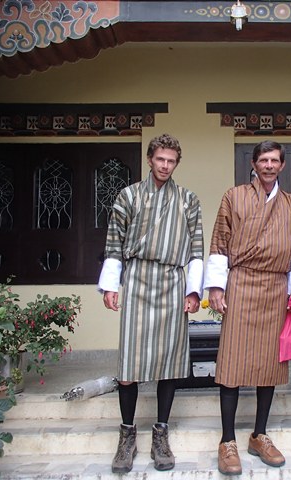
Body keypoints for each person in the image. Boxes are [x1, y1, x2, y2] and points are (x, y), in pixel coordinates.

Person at [98, 133, 204, 473]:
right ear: (149, 159)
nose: (165, 165)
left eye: (171, 161)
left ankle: (161, 433)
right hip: (138, 278)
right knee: (129, 362)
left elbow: (197, 247)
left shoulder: (188, 199)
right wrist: (111, 285)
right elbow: (114, 241)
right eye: (160, 159)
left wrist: (194, 290)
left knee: (169, 361)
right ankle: (127, 435)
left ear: (176, 163)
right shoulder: (128, 195)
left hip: (173, 281)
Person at [204, 140, 291, 476]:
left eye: (274, 160)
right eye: (263, 159)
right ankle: (227, 441)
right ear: (253, 164)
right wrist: (217, 287)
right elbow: (220, 241)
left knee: (270, 365)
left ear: (281, 165)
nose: (268, 165)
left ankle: (260, 434)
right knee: (232, 364)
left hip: (276, 288)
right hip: (241, 283)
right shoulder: (233, 197)